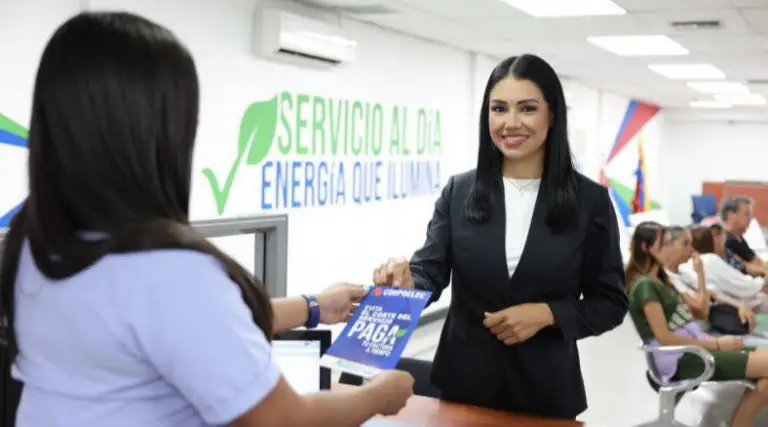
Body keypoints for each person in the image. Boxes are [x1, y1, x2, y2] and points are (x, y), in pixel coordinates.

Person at [0, 12, 413, 427]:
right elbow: (285, 420)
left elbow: (187, 327)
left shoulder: (33, 243)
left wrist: (312, 308)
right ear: (151, 132)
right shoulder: (167, 271)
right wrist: (378, 396)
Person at [371, 54, 628, 419]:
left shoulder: (590, 201)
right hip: (462, 387)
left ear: (552, 115)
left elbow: (610, 303)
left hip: (546, 392)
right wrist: (406, 281)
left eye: (526, 109)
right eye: (498, 108)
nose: (510, 123)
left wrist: (548, 314)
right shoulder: (459, 192)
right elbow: (429, 272)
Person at [626, 221, 768, 427]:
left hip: (694, 347)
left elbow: (700, 310)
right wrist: (718, 345)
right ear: (645, 248)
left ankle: (739, 423)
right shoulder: (645, 286)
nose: (670, 248)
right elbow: (664, 338)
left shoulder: (662, 281)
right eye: (664, 244)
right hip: (684, 358)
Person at [663, 226, 755, 328]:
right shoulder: (668, 278)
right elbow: (702, 312)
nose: (691, 249)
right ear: (668, 246)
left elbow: (713, 293)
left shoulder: (684, 271)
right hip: (699, 331)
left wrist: (739, 305)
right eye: (685, 244)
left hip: (712, 326)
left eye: (691, 244)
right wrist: (700, 273)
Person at [681, 226, 768, 310]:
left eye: (720, 234)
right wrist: (761, 283)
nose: (719, 238)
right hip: (732, 303)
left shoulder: (725, 253)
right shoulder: (708, 259)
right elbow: (736, 283)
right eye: (715, 236)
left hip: (734, 298)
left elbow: (743, 266)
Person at [722, 196, 768, 277]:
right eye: (746, 214)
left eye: (751, 215)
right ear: (731, 215)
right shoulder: (727, 241)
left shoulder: (739, 238)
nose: (750, 218)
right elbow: (745, 267)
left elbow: (757, 261)